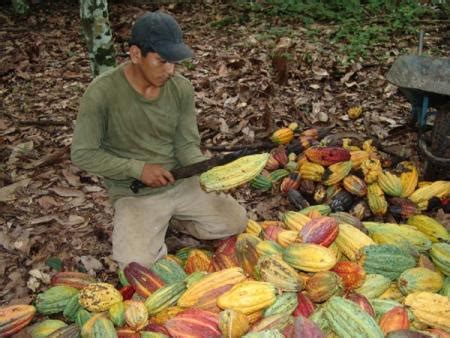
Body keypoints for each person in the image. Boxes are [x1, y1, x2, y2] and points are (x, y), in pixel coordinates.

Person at [71, 11, 247, 268]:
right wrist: (138, 169)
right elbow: (83, 153)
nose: (171, 70)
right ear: (135, 54)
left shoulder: (181, 88)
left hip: (181, 181)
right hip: (135, 191)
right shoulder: (102, 93)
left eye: (174, 62)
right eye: (162, 61)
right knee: (136, 264)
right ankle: (157, 221)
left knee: (235, 222)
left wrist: (208, 175)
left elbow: (186, 144)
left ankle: (174, 219)